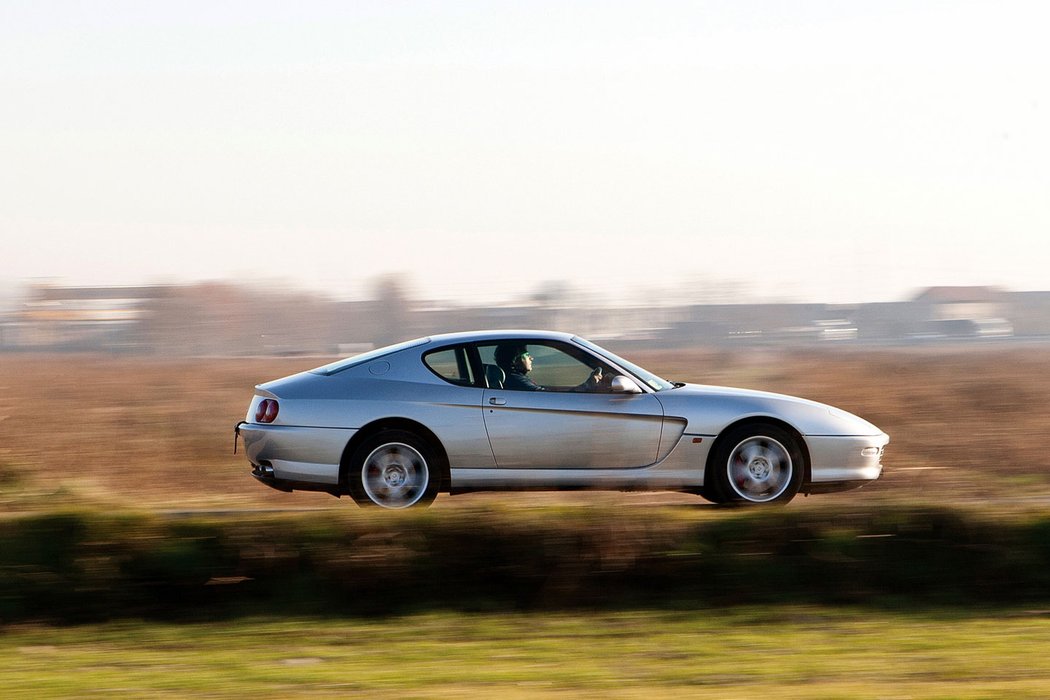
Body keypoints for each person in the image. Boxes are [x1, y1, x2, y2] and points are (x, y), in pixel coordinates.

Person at [494, 343, 603, 392]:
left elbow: (547, 391)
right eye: (527, 355)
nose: (531, 358)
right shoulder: (516, 381)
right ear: (516, 359)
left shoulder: (514, 378)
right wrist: (586, 386)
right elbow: (546, 396)